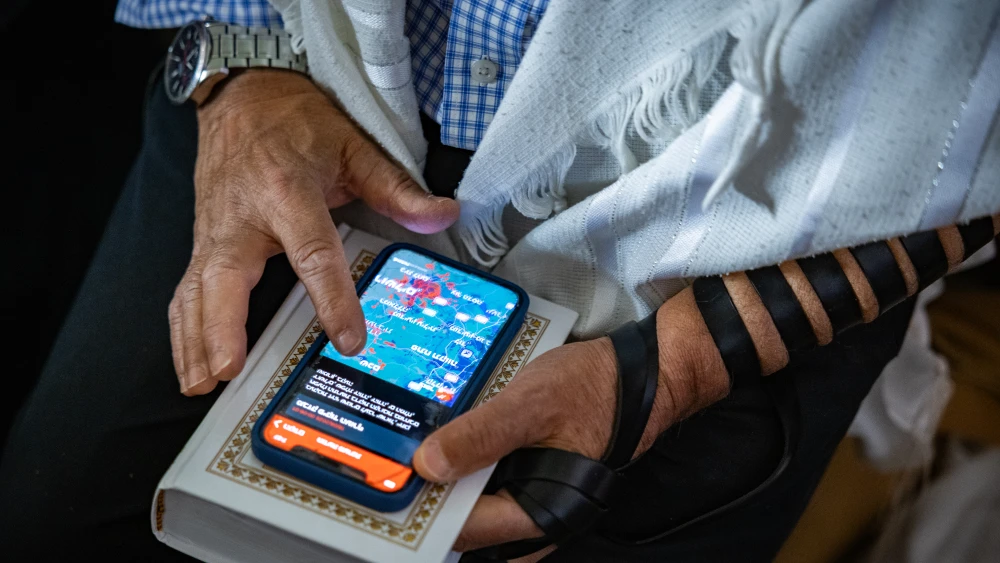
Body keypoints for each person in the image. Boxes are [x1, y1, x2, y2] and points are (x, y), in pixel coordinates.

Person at [2, 0, 998, 561]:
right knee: (67, 525)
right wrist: (243, 67)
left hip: (764, 241)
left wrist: (683, 365)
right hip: (304, 95)